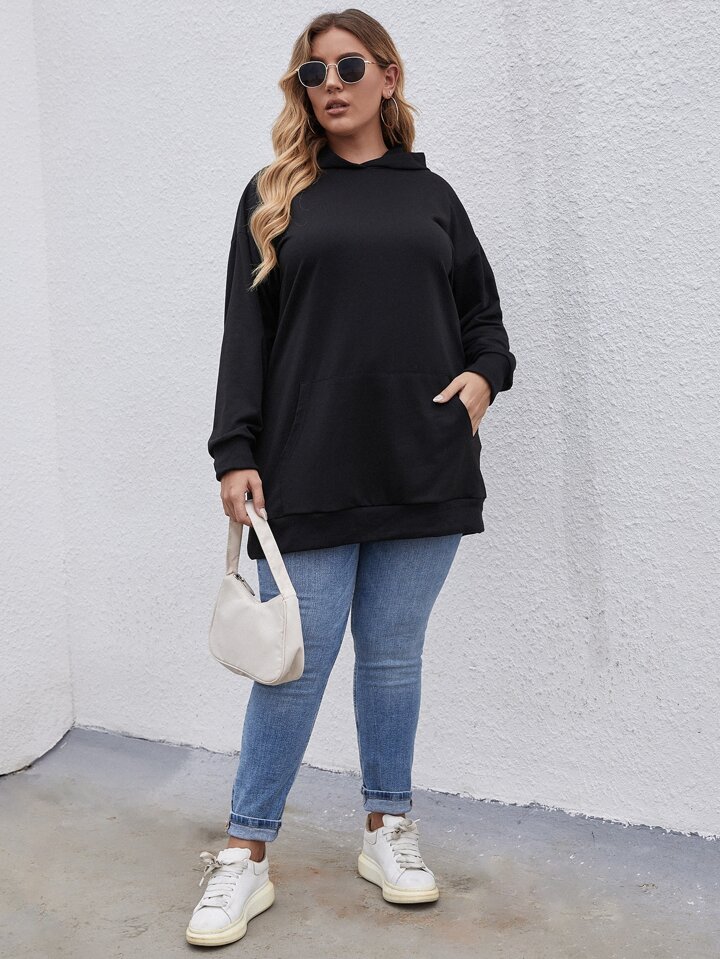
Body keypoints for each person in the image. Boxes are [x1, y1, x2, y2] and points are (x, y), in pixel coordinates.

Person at [186, 8, 516, 948]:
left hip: (423, 460)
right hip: (310, 463)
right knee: (294, 664)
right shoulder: (276, 194)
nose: (330, 85)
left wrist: (481, 383)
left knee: (394, 660)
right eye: (312, 73)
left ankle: (387, 827)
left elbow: (485, 319)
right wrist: (235, 450)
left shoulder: (434, 196)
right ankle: (245, 852)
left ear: (388, 76)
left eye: (348, 67)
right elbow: (244, 335)